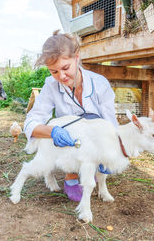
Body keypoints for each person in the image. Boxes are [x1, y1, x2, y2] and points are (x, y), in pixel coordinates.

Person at [23, 30, 118, 202]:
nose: (61, 76)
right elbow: (31, 121)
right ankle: (71, 174)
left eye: (65, 68)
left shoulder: (100, 84)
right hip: (72, 144)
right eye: (54, 72)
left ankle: (93, 168)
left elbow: (111, 124)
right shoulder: (51, 86)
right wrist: (52, 132)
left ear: (77, 57)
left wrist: (111, 152)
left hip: (95, 140)